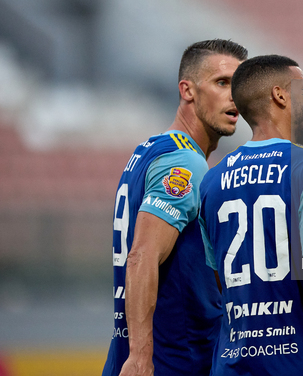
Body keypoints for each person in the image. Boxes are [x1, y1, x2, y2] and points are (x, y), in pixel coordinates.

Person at [199, 55, 303, 376]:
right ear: (281, 96)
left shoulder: (210, 183)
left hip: (232, 364)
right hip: (301, 363)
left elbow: (219, 282)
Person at [102, 39, 248, 376]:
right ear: (188, 90)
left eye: (238, 86)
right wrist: (141, 357)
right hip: (173, 359)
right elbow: (141, 256)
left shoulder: (149, 150)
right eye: (222, 83)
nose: (233, 97)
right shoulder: (184, 163)